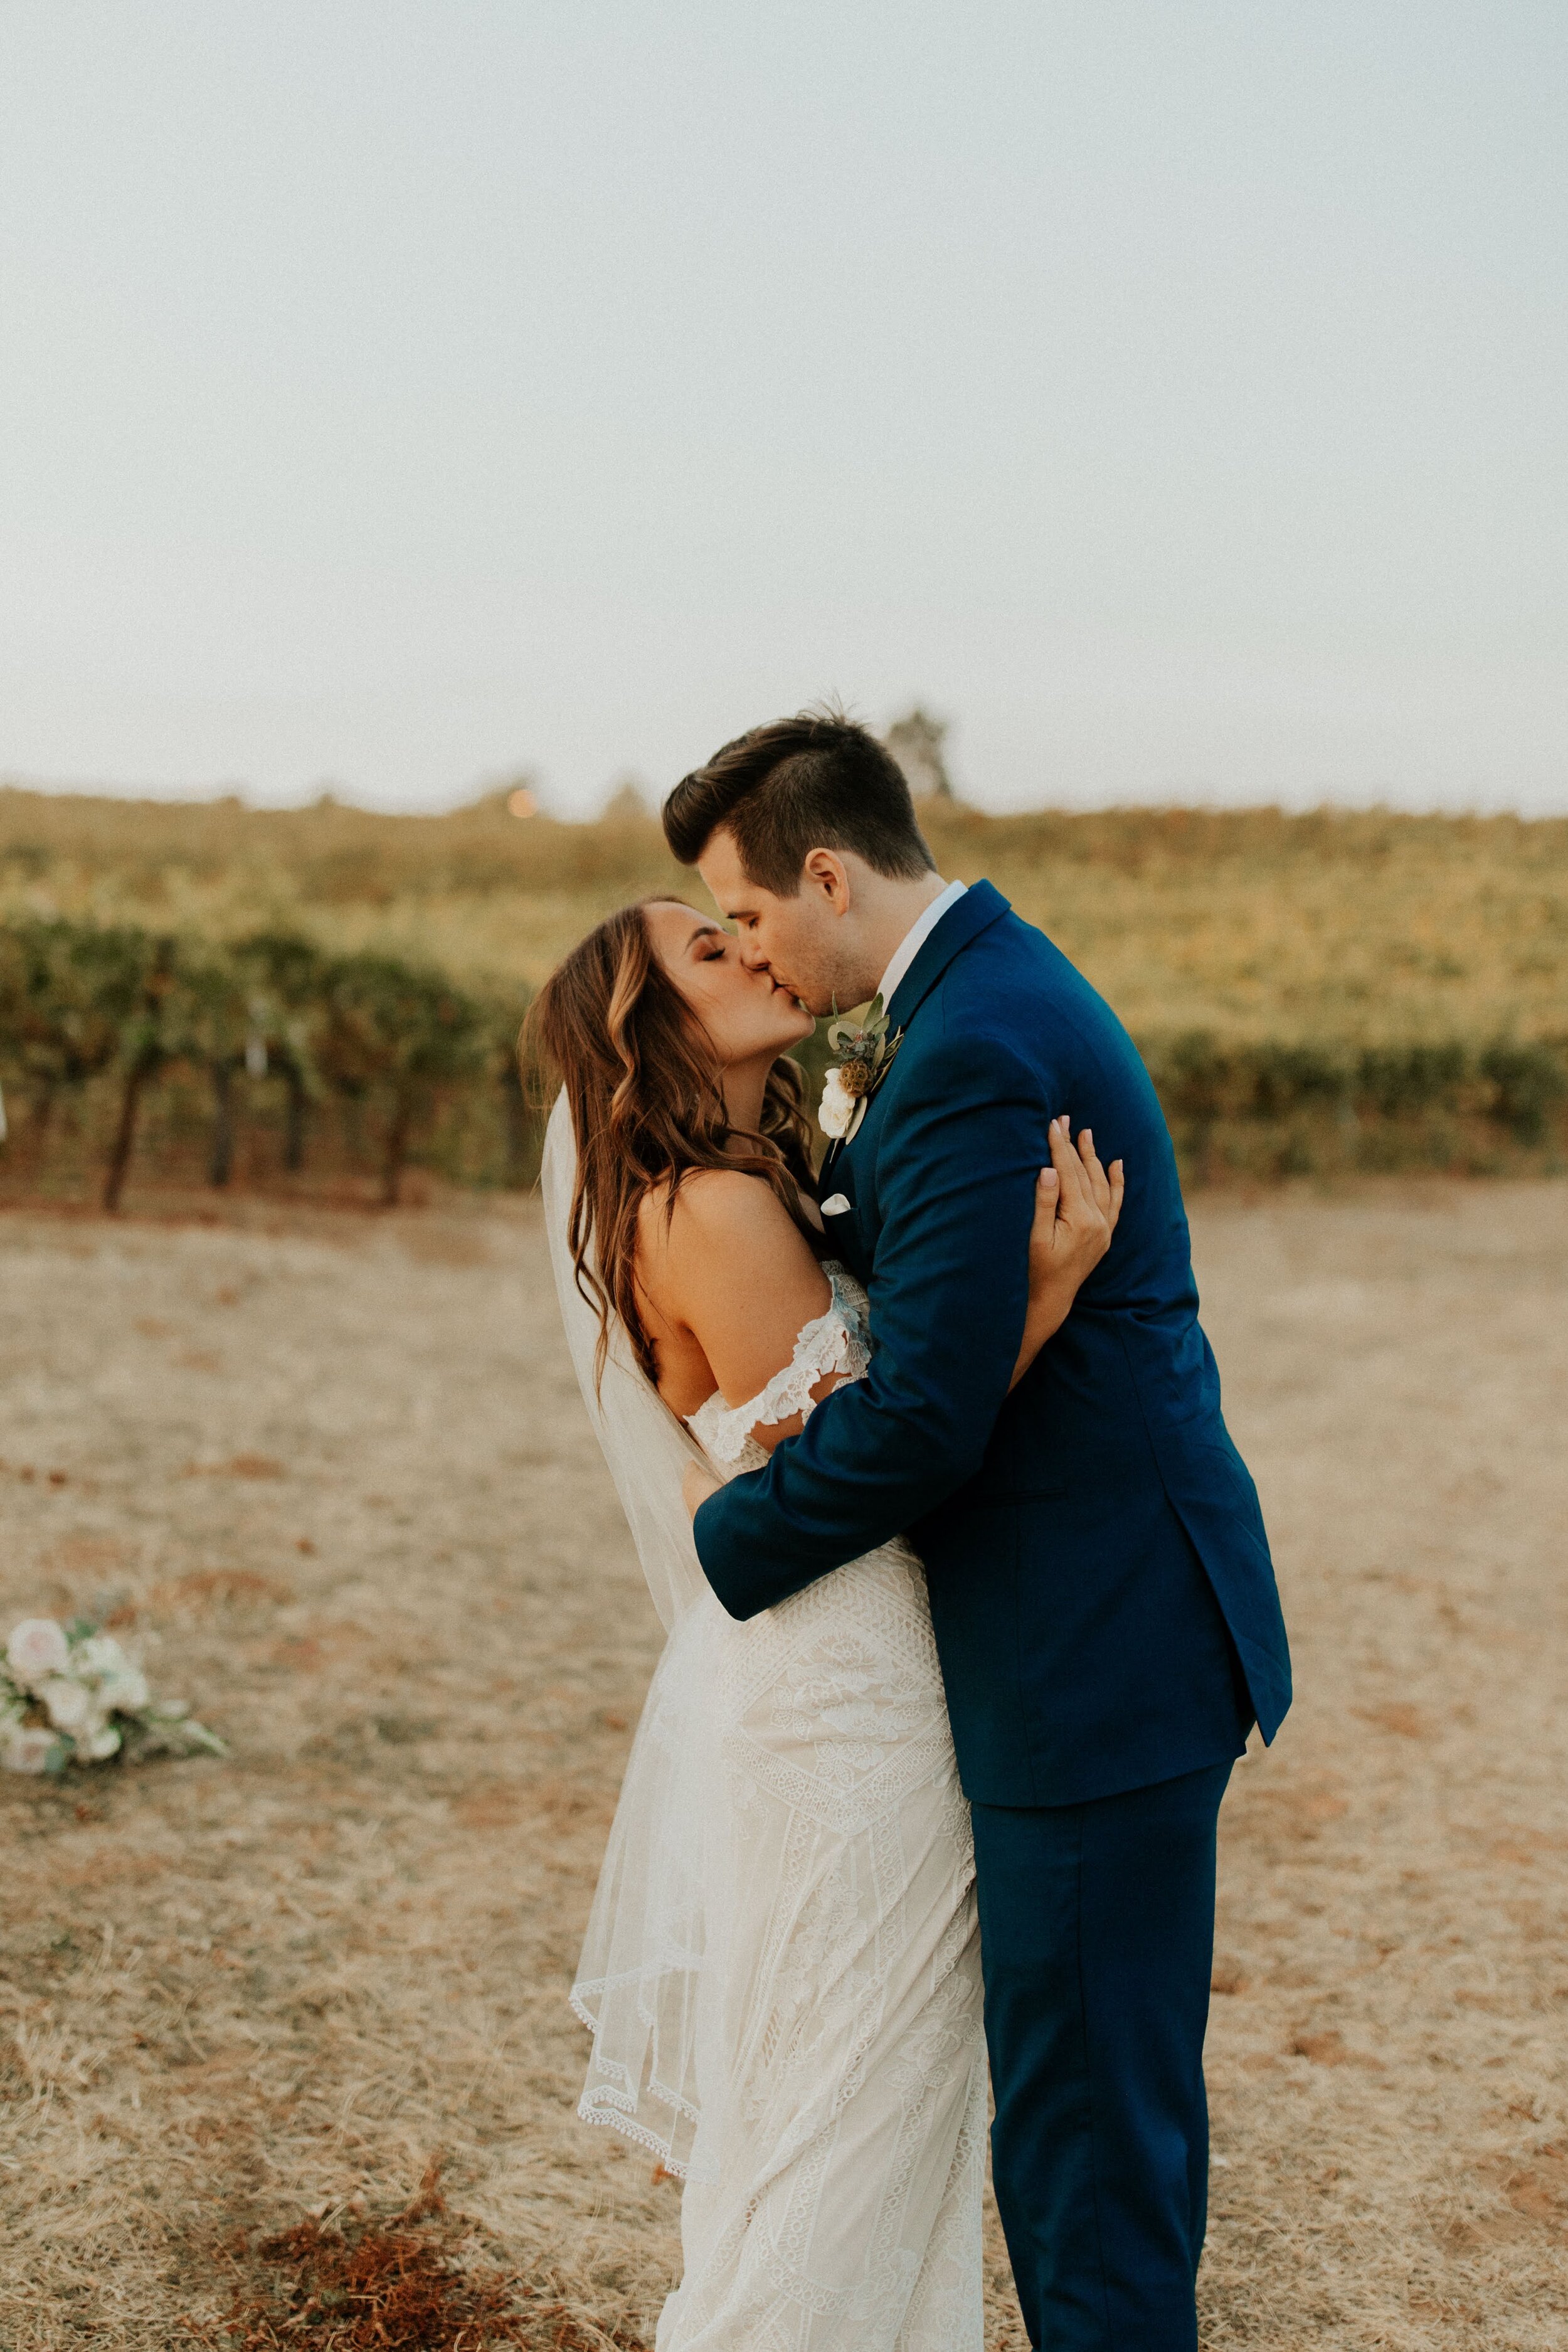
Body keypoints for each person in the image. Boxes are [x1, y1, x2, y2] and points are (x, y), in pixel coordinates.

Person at [662, 712, 1293, 2352]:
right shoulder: (974, 1000)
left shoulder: (968, 1044)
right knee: (1087, 2118)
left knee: (1086, 2149)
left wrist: (728, 1541)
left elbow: (929, 1417)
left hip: (1090, 1649)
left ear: (825, 869)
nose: (749, 951)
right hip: (1099, 1627)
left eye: (746, 911)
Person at [530, 891, 1123, 2351]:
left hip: (824, 1665)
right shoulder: (714, 1207)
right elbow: (864, 1468)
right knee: (846, 2122)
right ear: (651, 1025)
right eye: (705, 952)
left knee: (852, 2103)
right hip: (839, 1678)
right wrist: (1039, 1294)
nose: (746, 950)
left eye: (737, 925)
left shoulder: (727, 1184)